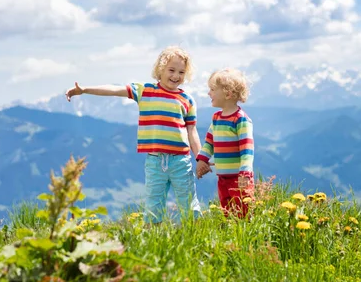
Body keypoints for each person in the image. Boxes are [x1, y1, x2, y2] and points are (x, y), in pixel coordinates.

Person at [65, 45, 202, 223]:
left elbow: (192, 131)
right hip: (155, 161)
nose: (176, 76)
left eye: (181, 72)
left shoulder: (187, 100)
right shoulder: (144, 91)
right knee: (153, 205)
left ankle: (195, 233)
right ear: (160, 69)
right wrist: (84, 89)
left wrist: (200, 157)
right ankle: (153, 239)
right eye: (171, 70)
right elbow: (114, 90)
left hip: (181, 162)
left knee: (189, 203)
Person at [196, 68, 254, 218]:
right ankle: (231, 239)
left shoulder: (240, 119)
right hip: (223, 178)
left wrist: (245, 172)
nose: (209, 93)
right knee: (227, 212)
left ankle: (244, 238)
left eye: (213, 89)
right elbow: (209, 142)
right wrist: (202, 160)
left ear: (228, 93)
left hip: (239, 178)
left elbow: (247, 149)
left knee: (243, 214)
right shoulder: (216, 118)